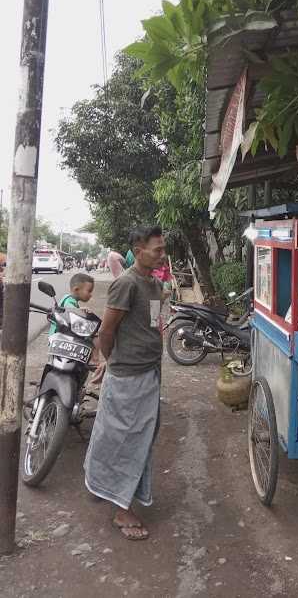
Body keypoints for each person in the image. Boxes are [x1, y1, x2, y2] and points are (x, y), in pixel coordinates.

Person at [84, 226, 168, 541]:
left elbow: (153, 325)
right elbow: (106, 332)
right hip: (128, 375)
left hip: (149, 372)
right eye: (157, 249)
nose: (162, 254)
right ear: (137, 248)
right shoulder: (126, 284)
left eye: (163, 248)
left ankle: (100, 485)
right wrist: (111, 361)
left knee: (132, 437)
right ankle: (121, 510)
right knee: (126, 440)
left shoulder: (155, 285)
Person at [48, 272, 105, 383]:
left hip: (61, 335)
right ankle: (94, 360)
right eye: (89, 291)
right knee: (95, 335)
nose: (91, 295)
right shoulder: (69, 301)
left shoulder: (68, 298)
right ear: (76, 289)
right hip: (60, 336)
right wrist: (80, 311)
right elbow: (70, 311)